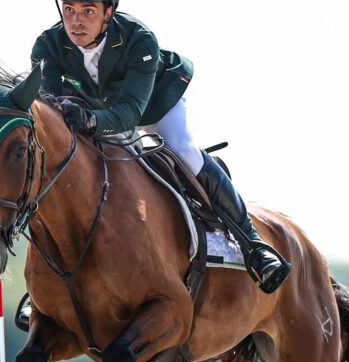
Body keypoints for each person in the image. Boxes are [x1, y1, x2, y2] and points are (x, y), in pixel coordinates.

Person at [31, 0, 289, 293]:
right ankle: (49, 279)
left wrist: (90, 121)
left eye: (88, 11)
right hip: (96, 108)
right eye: (69, 10)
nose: (76, 21)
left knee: (184, 151)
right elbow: (48, 108)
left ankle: (253, 243)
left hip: (154, 103)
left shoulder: (139, 38)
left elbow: (130, 114)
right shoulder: (48, 44)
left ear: (108, 13)